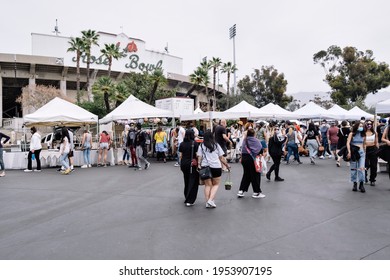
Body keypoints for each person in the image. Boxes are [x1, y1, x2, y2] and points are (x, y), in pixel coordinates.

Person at [197, 129, 230, 208]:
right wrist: (226, 165)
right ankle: (210, 200)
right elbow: (221, 157)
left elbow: (199, 156)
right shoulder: (216, 145)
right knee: (216, 184)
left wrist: (199, 165)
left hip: (205, 167)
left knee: (207, 185)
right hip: (216, 166)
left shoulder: (201, 145)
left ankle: (208, 202)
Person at [237, 128, 265, 199]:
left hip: (244, 158)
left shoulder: (245, 140)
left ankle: (241, 190)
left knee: (246, 174)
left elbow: (242, 149)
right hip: (252, 159)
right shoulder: (256, 140)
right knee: (255, 175)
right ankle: (256, 192)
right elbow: (260, 150)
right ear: (254, 134)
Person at [179, 129, 199, 206]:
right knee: (193, 182)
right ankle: (190, 199)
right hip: (192, 164)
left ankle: (186, 195)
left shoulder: (182, 144)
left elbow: (181, 155)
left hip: (184, 163)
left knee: (186, 180)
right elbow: (197, 154)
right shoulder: (195, 143)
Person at [346, 121, 366, 192]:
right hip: (354, 152)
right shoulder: (352, 134)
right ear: (356, 126)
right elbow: (348, 143)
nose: (361, 127)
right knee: (353, 169)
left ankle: (361, 184)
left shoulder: (363, 134)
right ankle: (354, 183)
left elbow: (364, 144)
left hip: (361, 152)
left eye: (362, 126)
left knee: (361, 168)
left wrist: (364, 151)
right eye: (360, 126)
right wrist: (349, 151)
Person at [364, 120, 379, 186]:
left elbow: (376, 143)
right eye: (367, 124)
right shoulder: (363, 133)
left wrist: (378, 151)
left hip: (373, 149)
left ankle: (372, 179)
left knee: (374, 166)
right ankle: (364, 177)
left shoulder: (375, 133)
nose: (369, 125)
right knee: (366, 165)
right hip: (365, 150)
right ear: (365, 125)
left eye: (370, 124)